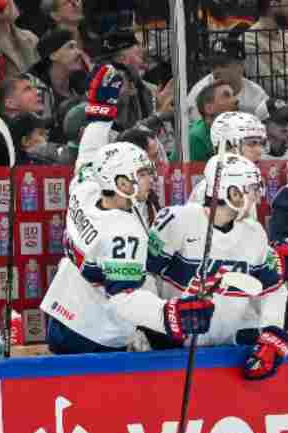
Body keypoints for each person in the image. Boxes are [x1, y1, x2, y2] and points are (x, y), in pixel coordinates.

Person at [41, 141, 216, 354]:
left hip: (61, 312)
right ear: (122, 183)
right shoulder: (123, 233)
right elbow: (123, 297)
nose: (150, 179)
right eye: (142, 174)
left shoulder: (85, 191)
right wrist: (169, 314)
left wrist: (99, 122)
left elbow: (86, 160)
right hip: (93, 332)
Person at [149, 154, 288, 380]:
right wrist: (156, 325)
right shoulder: (177, 220)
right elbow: (145, 274)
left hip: (227, 354)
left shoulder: (254, 233)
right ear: (233, 193)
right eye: (252, 189)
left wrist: (271, 331)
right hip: (172, 353)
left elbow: (273, 290)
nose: (257, 196)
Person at [188, 81, 239, 162]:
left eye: (233, 95)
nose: (236, 100)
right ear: (209, 108)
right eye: (226, 96)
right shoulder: (195, 139)